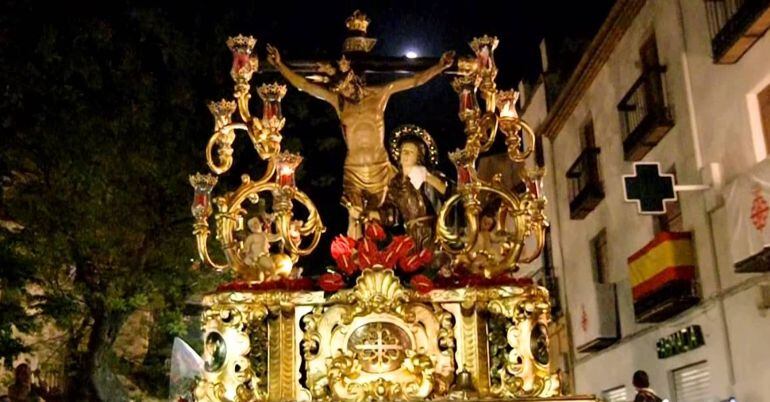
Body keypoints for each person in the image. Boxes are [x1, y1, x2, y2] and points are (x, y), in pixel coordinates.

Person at [266, 43, 454, 237]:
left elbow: (414, 80)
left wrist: (439, 66)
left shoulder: (381, 94)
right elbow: (304, 85)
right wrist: (280, 65)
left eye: (347, 89)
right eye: (341, 91)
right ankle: (350, 261)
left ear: (354, 80)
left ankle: (381, 257)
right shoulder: (339, 102)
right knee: (353, 216)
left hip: (379, 169)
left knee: (377, 220)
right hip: (354, 170)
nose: (345, 94)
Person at [384, 133, 447, 250]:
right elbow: (391, 214)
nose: (406, 154)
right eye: (404, 151)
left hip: (432, 232)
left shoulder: (428, 176)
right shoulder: (395, 184)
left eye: (411, 152)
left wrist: (427, 177)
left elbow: (447, 192)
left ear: (418, 157)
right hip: (410, 234)